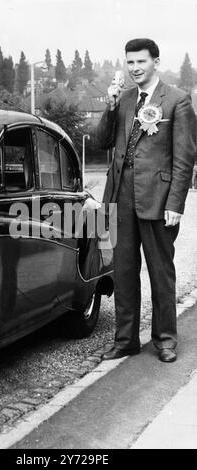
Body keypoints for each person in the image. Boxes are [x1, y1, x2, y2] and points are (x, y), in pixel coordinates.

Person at [97, 38, 196, 363]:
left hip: (158, 199)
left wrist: (175, 204)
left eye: (141, 62)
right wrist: (110, 106)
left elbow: (184, 158)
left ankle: (165, 340)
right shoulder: (123, 99)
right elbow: (102, 142)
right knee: (124, 272)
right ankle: (125, 341)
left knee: (160, 273)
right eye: (130, 62)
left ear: (155, 61)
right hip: (121, 197)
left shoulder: (178, 101)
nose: (135, 68)